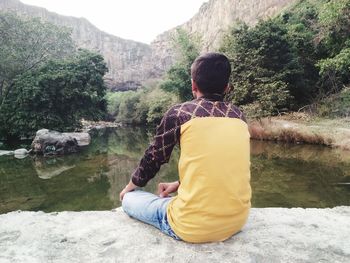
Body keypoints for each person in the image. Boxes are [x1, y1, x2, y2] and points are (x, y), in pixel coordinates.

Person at [120, 52, 251, 243]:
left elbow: (153, 159)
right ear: (227, 87)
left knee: (131, 199)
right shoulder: (239, 116)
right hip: (237, 221)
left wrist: (128, 188)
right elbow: (224, 165)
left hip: (191, 227)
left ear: (193, 85)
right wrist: (180, 185)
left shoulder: (180, 113)